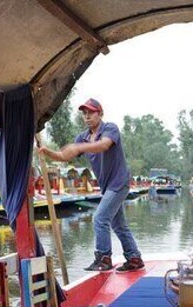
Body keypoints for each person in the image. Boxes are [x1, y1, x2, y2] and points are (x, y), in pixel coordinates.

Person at [39, 98, 144, 272]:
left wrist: (80, 147)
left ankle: (103, 258)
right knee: (118, 225)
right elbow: (65, 156)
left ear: (100, 113)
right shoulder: (83, 137)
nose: (87, 116)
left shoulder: (110, 128)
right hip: (107, 186)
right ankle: (134, 258)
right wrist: (48, 152)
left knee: (100, 218)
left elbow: (103, 145)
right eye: (84, 113)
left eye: (91, 112)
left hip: (119, 182)